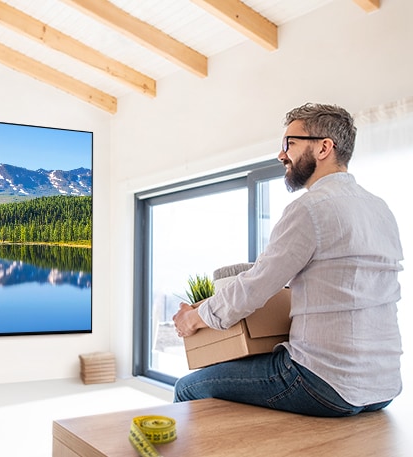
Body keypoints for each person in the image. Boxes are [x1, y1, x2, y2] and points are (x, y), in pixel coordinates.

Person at [171, 103, 404, 417]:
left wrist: (194, 319)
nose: (282, 155)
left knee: (187, 387)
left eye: (289, 143)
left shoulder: (310, 208)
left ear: (324, 147)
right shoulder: (380, 210)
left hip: (323, 381)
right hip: (383, 388)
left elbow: (255, 287)